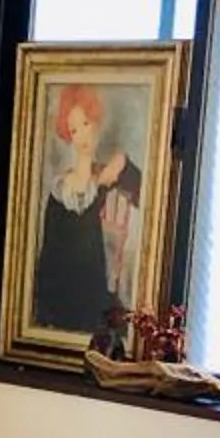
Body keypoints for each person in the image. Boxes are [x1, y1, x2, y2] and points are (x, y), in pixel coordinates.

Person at [28, 82, 143, 338]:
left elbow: (149, 199)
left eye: (86, 124)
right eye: (74, 129)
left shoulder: (111, 175)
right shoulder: (59, 192)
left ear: (97, 124)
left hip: (95, 298)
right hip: (62, 300)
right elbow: (52, 257)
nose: (82, 136)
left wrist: (120, 166)